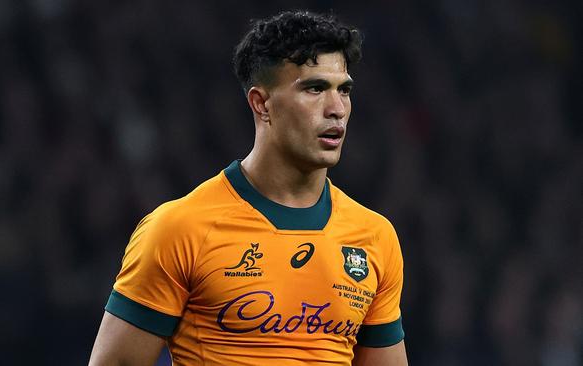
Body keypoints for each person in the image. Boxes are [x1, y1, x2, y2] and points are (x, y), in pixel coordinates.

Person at [89, 10, 407, 366]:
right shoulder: (179, 229)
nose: (336, 109)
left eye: (343, 90)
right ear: (261, 103)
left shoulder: (375, 238)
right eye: (314, 88)